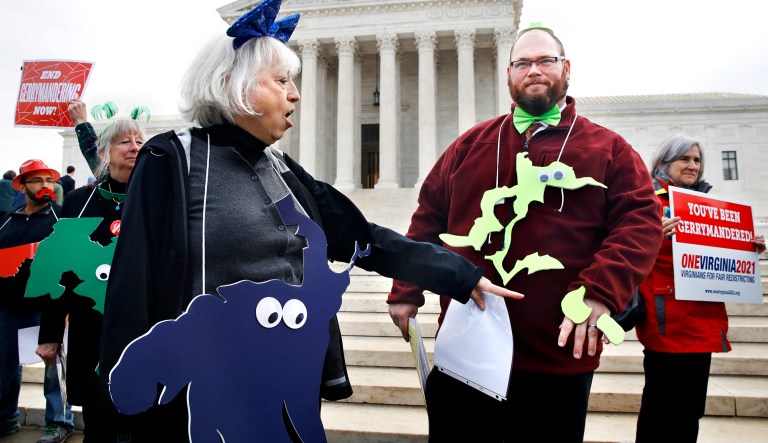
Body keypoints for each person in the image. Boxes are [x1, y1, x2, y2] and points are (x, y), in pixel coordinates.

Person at [97, 1, 522, 441]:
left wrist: (460, 276)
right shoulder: (172, 160)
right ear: (233, 86)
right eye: (281, 81)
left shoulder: (282, 170)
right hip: (200, 396)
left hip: (283, 387)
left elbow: (362, 238)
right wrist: (124, 416)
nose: (295, 94)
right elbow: (132, 286)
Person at [387, 23, 663, 442]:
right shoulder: (469, 146)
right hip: (465, 353)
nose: (534, 70)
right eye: (522, 63)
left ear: (566, 69)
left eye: (545, 61)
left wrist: (600, 291)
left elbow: (640, 223)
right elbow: (428, 219)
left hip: (555, 355)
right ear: (509, 75)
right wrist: (405, 290)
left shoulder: (608, 148)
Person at [634, 134, 766, 443]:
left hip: (703, 322)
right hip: (668, 323)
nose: (693, 165)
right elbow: (626, 249)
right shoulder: (648, 203)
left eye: (697, 160)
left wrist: (746, 248)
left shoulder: (710, 206)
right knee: (660, 410)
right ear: (663, 163)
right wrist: (652, 236)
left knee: (691, 411)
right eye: (684, 159)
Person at [36, 112, 145, 442]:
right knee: (98, 421)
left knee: (141, 414)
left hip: (143, 326)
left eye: (140, 141)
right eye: (124, 141)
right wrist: (50, 333)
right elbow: (59, 272)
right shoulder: (78, 202)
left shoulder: (156, 199)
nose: (134, 147)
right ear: (104, 152)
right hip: (91, 329)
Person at [0, 159, 74, 442]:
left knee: (53, 371)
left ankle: (59, 423)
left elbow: (69, 265)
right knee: (5, 370)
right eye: (38, 181)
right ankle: (6, 419)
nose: (45, 185)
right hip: (8, 308)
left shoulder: (60, 220)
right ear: (22, 186)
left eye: (48, 180)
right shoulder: (8, 218)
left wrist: (65, 308)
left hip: (48, 308)